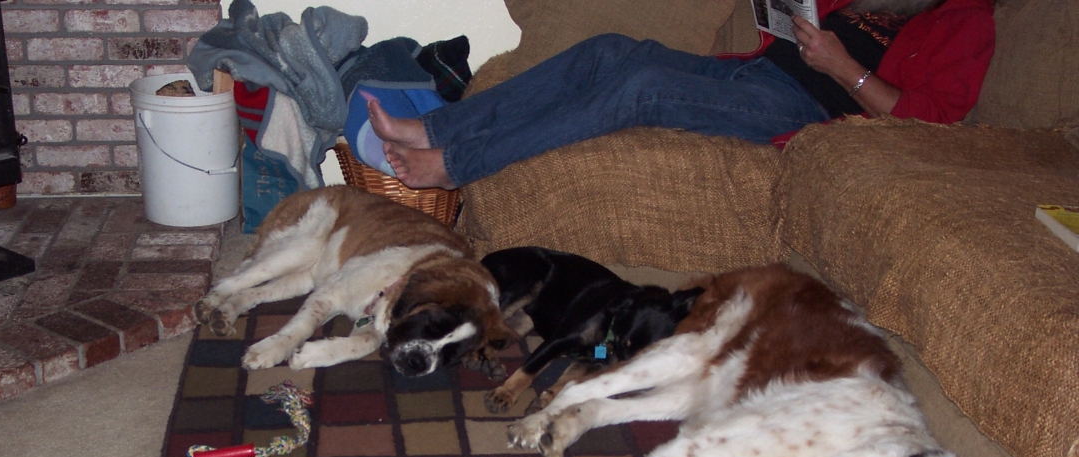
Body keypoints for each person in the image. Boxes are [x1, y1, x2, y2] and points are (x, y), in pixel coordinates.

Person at [366, 0, 994, 190]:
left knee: (640, 89)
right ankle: (436, 129)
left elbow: (932, 118)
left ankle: (455, 165)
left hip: (804, 108)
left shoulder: (966, 21)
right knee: (607, 50)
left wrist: (843, 67)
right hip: (751, 72)